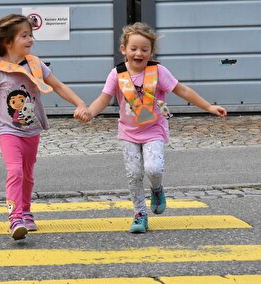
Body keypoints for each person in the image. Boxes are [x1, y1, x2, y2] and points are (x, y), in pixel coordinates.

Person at [85, 22, 227, 233]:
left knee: (154, 168)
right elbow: (104, 98)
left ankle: (157, 189)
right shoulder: (117, 74)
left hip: (154, 130)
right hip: (128, 132)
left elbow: (182, 90)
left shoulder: (158, 71)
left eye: (144, 49)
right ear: (124, 50)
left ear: (151, 51)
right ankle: (139, 214)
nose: (139, 53)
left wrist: (208, 106)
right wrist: (89, 112)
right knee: (133, 174)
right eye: (133, 48)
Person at [0, 13, 90, 240]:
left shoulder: (35, 65)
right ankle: (15, 218)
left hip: (32, 131)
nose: (31, 40)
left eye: (31, 35)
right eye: (24, 36)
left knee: (28, 175)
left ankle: (27, 211)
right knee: (16, 171)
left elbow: (58, 86)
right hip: (8, 131)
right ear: (7, 42)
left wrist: (80, 103)